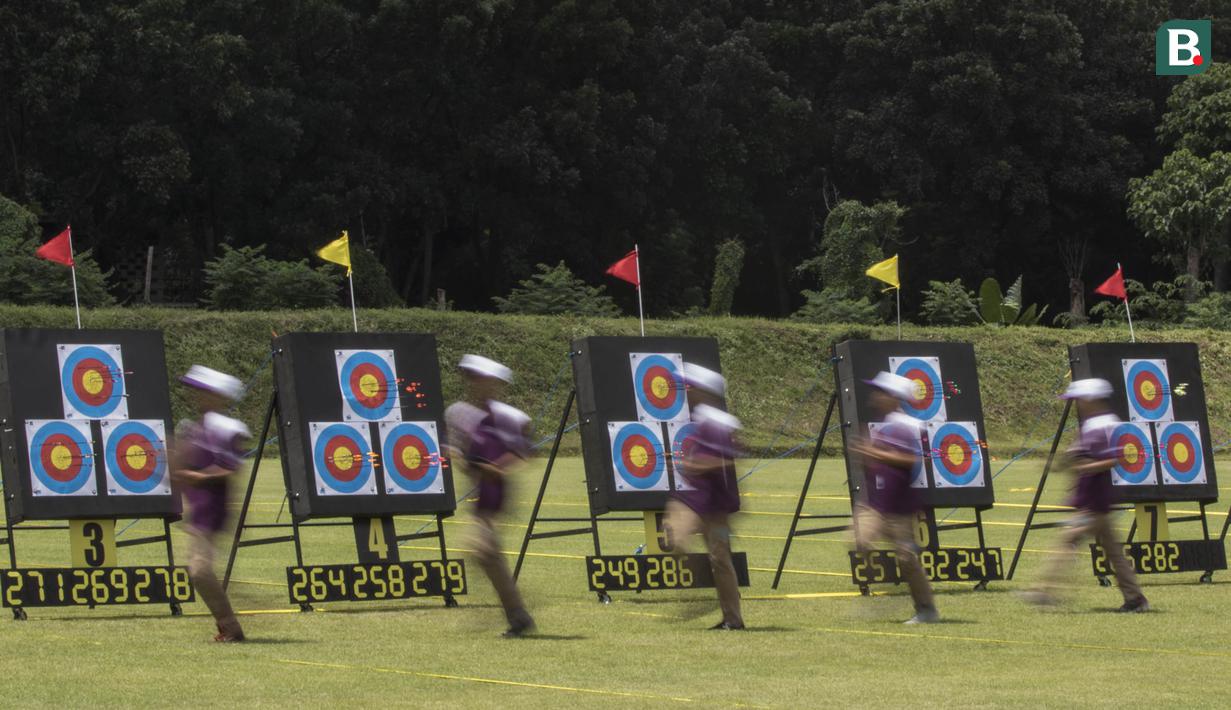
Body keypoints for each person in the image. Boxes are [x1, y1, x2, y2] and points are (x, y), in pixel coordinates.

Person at [1023, 378, 1149, 612]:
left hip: (1095, 500)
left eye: (1079, 399)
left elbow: (1115, 459)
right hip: (1092, 500)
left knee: (1067, 541)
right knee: (1113, 552)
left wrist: (1084, 467)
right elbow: (1079, 455)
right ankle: (1135, 599)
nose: (1076, 404)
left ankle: (1044, 591)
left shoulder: (1105, 425)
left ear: (1091, 399)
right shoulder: (1093, 424)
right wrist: (1063, 464)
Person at [444, 355, 536, 637]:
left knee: (482, 549)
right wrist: (460, 457)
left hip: (496, 492)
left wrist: (496, 468)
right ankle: (518, 614)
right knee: (485, 554)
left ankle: (518, 614)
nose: (475, 383)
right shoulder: (459, 413)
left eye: (481, 378)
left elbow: (525, 454)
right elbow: (460, 454)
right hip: (478, 490)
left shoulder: (507, 416)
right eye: (471, 377)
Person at [849, 371, 938, 624]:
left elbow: (911, 460)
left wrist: (873, 453)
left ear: (894, 397)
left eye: (881, 392)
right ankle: (890, 588)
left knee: (906, 559)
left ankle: (926, 609)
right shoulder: (885, 425)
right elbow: (878, 466)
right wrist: (864, 455)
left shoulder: (906, 425)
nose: (875, 396)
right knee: (859, 539)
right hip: (877, 504)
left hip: (900, 508)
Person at [172, 365, 251, 643]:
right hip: (199, 510)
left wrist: (197, 476)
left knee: (200, 571)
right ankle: (229, 627)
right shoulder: (197, 427)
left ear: (218, 396)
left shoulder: (226, 427)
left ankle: (231, 628)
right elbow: (182, 465)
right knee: (199, 571)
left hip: (213, 509)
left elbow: (232, 466)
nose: (195, 395)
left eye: (201, 390)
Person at [667, 363, 744, 630]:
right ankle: (716, 599)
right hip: (696, 499)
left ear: (703, 390)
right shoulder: (703, 418)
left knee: (719, 558)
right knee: (676, 539)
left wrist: (695, 464)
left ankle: (732, 618)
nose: (686, 391)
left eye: (690, 387)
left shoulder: (716, 421)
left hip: (715, 504)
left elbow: (726, 459)